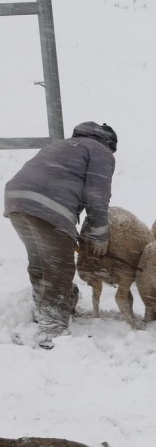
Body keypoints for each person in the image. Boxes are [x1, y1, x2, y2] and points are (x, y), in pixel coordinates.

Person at [3, 121, 117, 348]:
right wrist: (98, 234)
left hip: (17, 200)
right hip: (49, 205)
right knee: (59, 267)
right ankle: (52, 328)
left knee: (40, 261)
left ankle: (43, 309)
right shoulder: (101, 151)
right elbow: (97, 195)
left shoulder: (62, 145)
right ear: (109, 143)